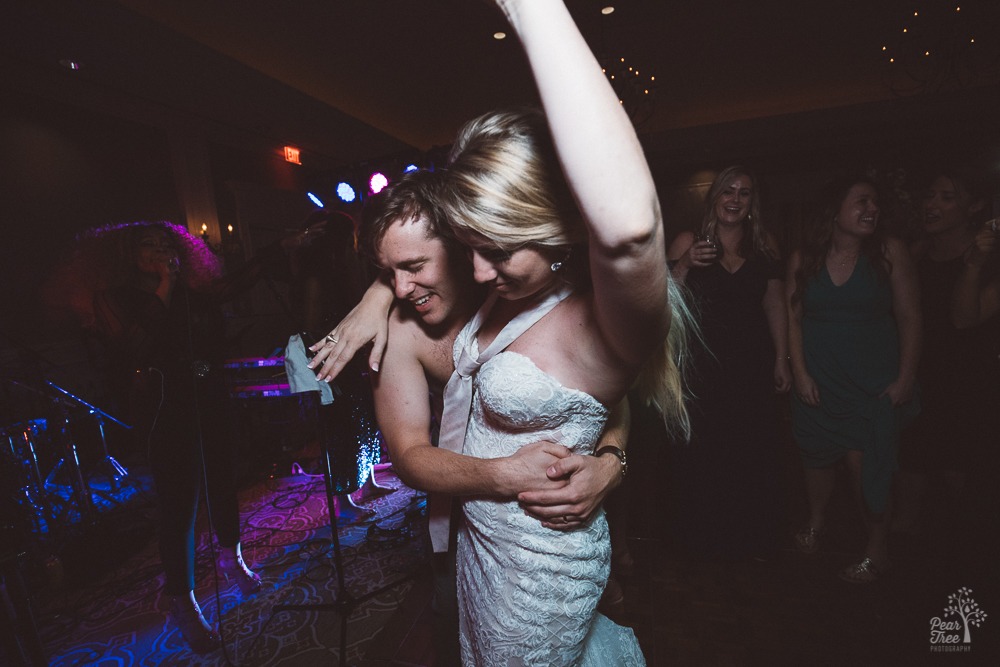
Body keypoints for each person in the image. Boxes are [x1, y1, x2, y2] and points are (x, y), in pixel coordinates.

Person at [310, 168, 631, 665]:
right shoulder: (399, 329)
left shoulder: (516, 286)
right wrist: (502, 475)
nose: (400, 287)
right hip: (462, 521)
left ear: (464, 243)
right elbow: (410, 455)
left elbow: (606, 393)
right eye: (386, 273)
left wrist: (611, 462)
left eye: (414, 265)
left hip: (559, 528)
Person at [44, 221, 293, 653]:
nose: (162, 251)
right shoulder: (114, 298)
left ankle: (232, 560)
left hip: (205, 395)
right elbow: (138, 346)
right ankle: (184, 601)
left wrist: (278, 246)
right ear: (127, 255)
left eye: (166, 244)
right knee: (180, 502)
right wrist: (163, 285)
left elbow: (225, 294)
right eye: (150, 245)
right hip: (163, 407)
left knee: (221, 482)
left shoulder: (188, 292)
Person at [786, 175, 921, 583]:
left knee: (867, 466)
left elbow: (911, 317)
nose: (872, 209)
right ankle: (816, 522)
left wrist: (905, 379)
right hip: (819, 381)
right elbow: (793, 319)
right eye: (862, 201)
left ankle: (877, 550)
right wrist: (800, 372)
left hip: (871, 384)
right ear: (834, 211)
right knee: (816, 457)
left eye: (875, 203)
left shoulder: (889, 252)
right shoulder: (804, 258)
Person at [667, 165, 790, 561]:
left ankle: (746, 541)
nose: (735, 199)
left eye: (745, 193)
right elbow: (661, 300)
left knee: (749, 449)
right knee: (705, 451)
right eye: (728, 191)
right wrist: (685, 263)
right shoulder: (689, 239)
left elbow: (775, 303)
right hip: (702, 363)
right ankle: (699, 540)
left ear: (753, 202)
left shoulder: (763, 243)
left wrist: (782, 358)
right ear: (714, 197)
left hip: (751, 363)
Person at [895, 171, 999, 534]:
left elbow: (963, 319)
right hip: (921, 372)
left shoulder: (993, 256)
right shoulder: (917, 251)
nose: (931, 204)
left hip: (970, 380)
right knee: (911, 461)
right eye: (929, 195)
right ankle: (902, 550)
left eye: (946, 197)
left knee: (962, 473)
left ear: (974, 207)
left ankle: (969, 556)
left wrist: (974, 265)